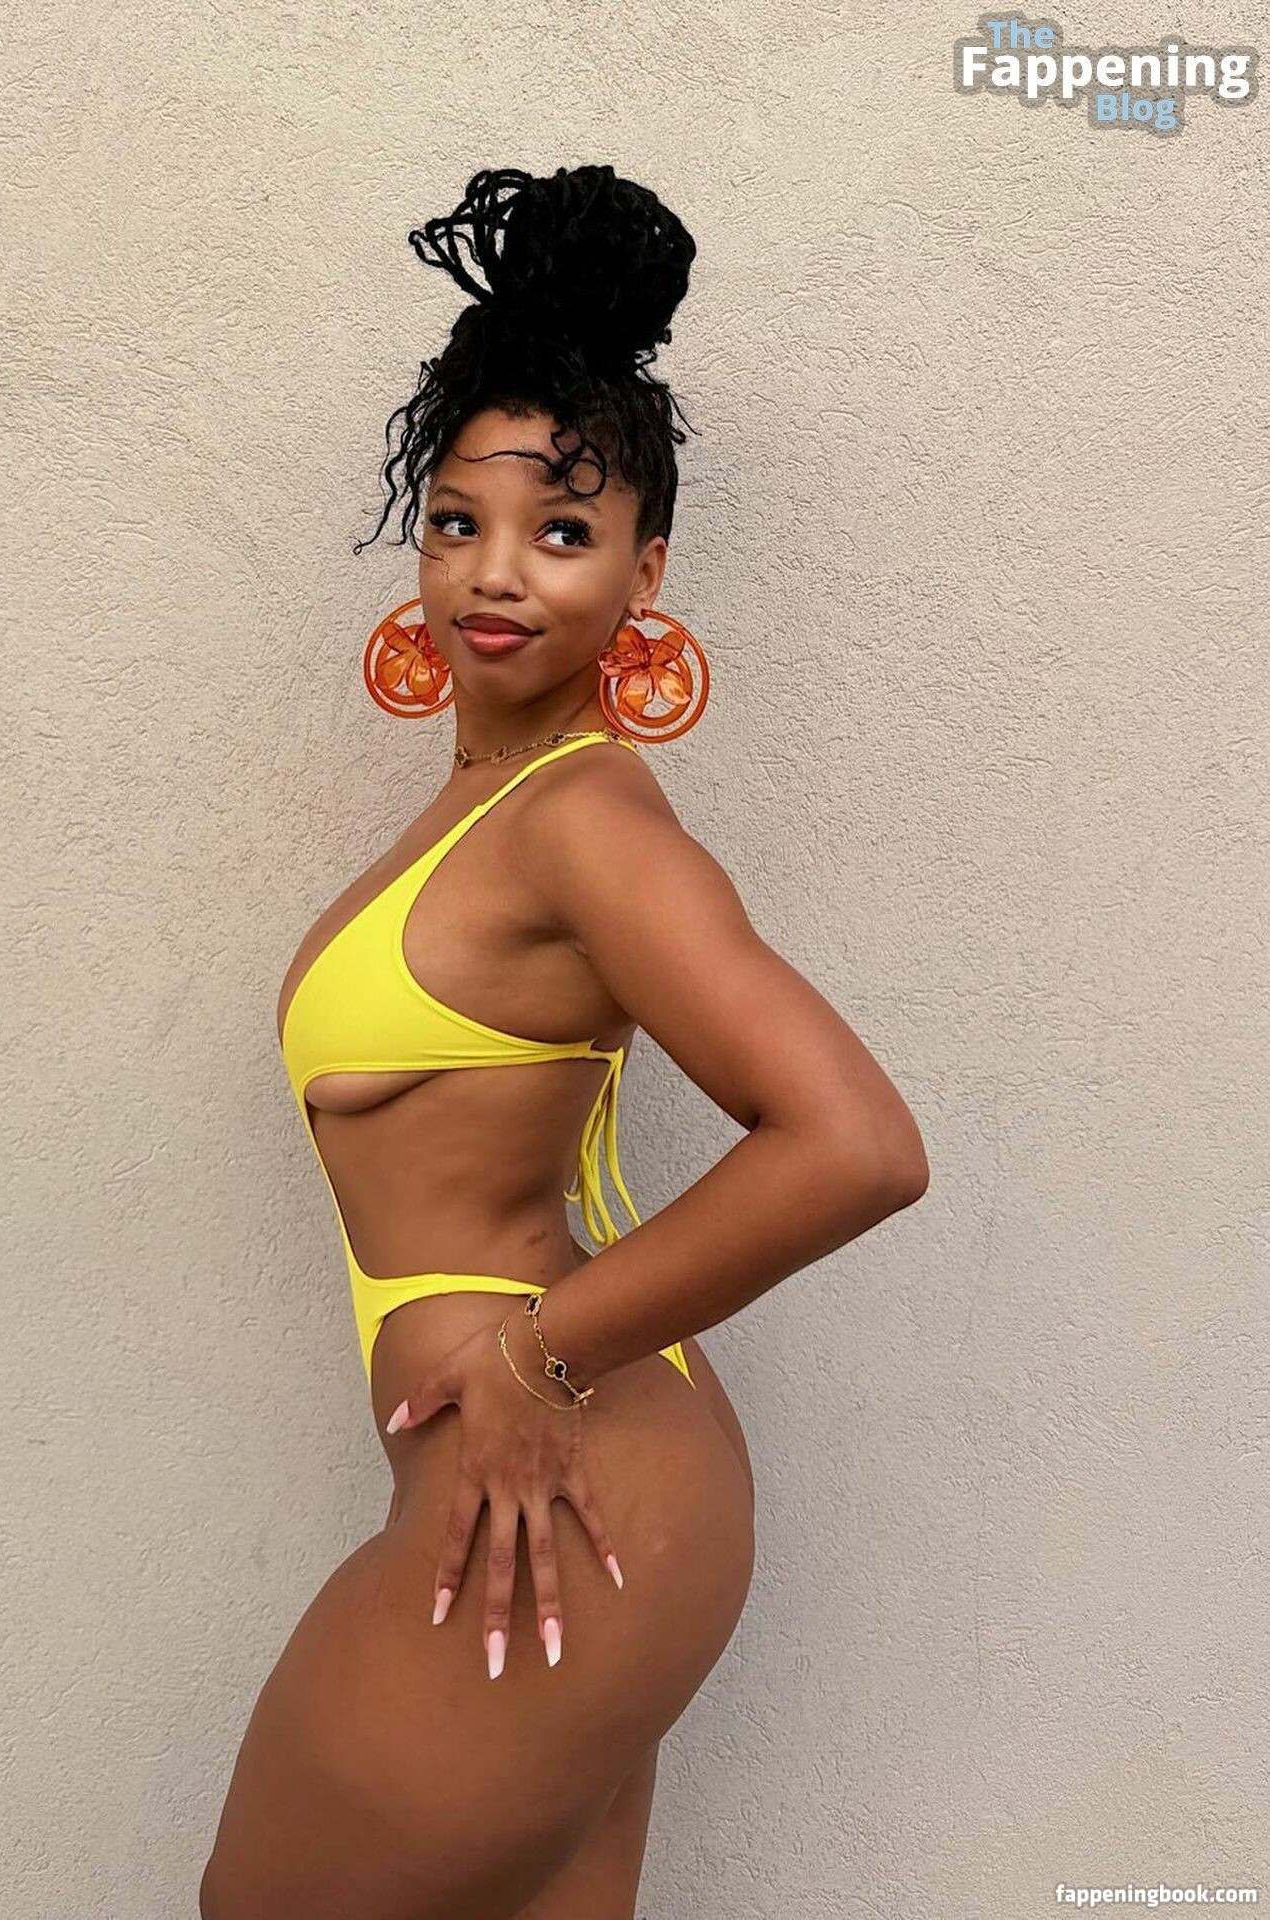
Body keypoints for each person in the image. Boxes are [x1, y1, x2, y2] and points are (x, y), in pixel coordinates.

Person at [201, 164, 929, 1920]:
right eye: (457, 521)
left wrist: (534, 1366)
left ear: (643, 568)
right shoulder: (491, 805)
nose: (495, 573)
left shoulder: (584, 821)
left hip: (569, 1495)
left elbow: (854, 1145)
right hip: (581, 1510)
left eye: (561, 531)